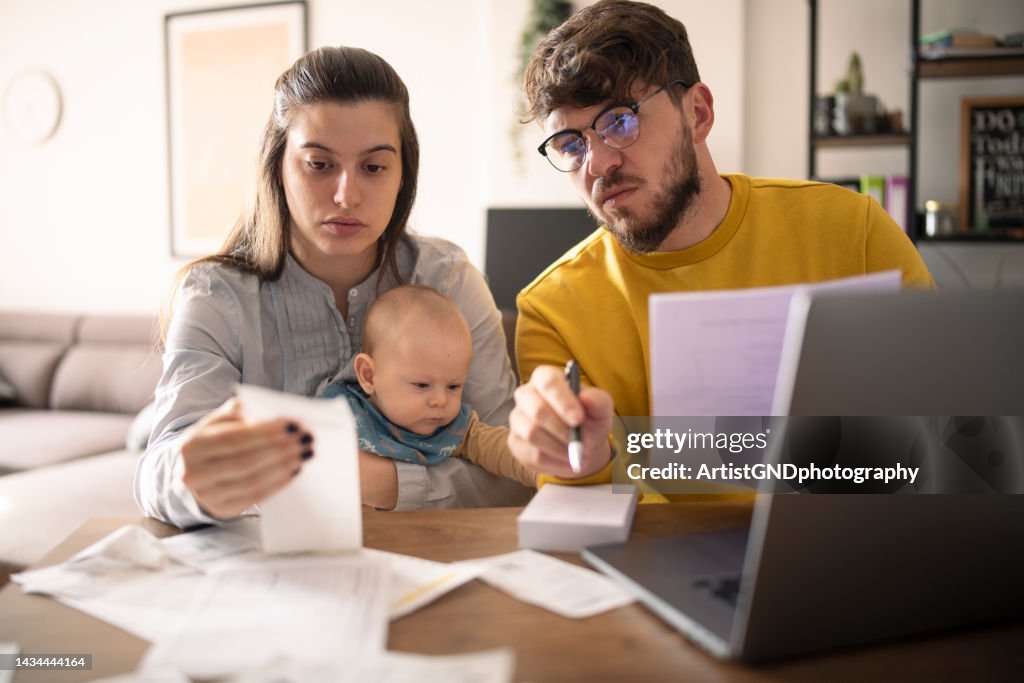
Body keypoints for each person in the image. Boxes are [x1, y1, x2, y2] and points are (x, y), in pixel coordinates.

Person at [505, 0, 935, 486]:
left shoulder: (853, 231)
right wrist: (588, 461)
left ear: (698, 112)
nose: (597, 164)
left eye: (620, 121)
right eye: (571, 144)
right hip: (654, 556)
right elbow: (582, 513)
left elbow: (952, 428)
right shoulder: (553, 310)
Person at [136, 46, 529, 529]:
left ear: (404, 175)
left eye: (374, 167)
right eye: (319, 165)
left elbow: (512, 474)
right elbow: (157, 476)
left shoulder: (449, 279)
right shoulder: (215, 295)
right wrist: (196, 476)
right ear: (278, 168)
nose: (347, 195)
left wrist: (367, 481)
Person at [323, 284, 536, 488]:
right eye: (422, 385)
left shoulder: (456, 430)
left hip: (425, 524)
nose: (440, 400)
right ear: (369, 376)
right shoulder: (340, 416)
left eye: (453, 386)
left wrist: (545, 468)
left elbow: (502, 449)